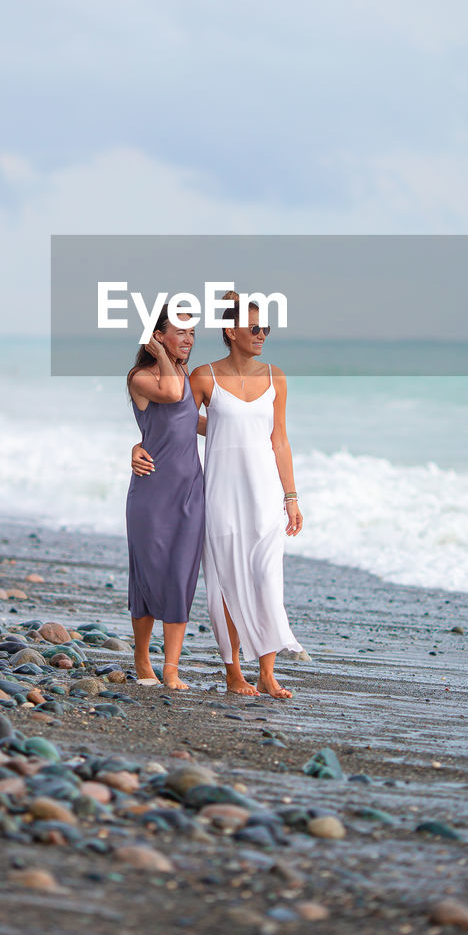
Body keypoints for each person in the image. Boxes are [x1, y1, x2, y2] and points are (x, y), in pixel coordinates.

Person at [133, 291, 304, 699]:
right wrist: (139, 447)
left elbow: (279, 440)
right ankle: (234, 672)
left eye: (266, 327)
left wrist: (291, 496)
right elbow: (176, 422)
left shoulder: (275, 376)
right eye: (255, 327)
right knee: (227, 581)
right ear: (231, 331)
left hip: (264, 493)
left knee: (266, 579)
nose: (262, 334)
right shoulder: (203, 376)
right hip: (220, 492)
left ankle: (267, 671)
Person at [125, 305, 205, 690]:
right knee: (148, 574)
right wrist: (157, 354)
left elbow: (195, 422)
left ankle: (171, 668)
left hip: (190, 491)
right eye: (180, 332)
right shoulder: (141, 377)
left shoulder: (189, 375)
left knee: (181, 575)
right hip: (152, 493)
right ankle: (143, 658)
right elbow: (171, 394)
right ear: (159, 335)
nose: (189, 340)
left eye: (192, 333)